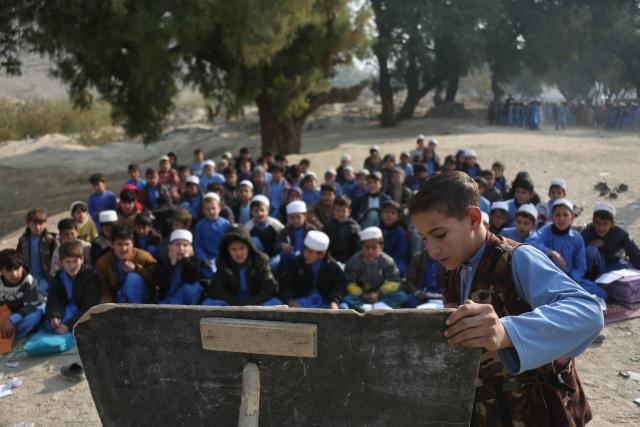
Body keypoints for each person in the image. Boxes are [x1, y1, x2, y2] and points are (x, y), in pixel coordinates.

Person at [408, 172, 602, 426]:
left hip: (538, 411)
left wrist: (507, 331)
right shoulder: (455, 265)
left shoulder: (517, 259)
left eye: (440, 234)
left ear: (473, 218)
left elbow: (588, 313)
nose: (431, 250)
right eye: (425, 238)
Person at [533, 198, 608, 301]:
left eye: (565, 215)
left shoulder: (577, 238)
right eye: (558, 215)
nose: (561, 218)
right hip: (549, 279)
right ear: (552, 217)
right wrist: (550, 252)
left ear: (572, 217)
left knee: (602, 294)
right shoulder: (545, 231)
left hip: (570, 279)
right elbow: (531, 240)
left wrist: (570, 282)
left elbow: (581, 267)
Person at [202, 226, 281, 306]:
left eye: (242, 248)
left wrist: (251, 303)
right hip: (232, 303)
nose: (238, 254)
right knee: (207, 304)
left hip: (256, 301)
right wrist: (236, 302)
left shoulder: (260, 261)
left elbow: (270, 287)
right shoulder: (223, 263)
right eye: (234, 249)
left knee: (277, 304)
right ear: (228, 250)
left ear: (249, 247)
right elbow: (217, 289)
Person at [343, 227, 406, 310]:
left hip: (380, 295)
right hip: (361, 295)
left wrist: (379, 293)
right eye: (367, 247)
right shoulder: (354, 262)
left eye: (374, 248)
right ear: (361, 247)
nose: (370, 252)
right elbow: (350, 283)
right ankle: (365, 307)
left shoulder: (387, 261)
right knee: (347, 299)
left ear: (381, 247)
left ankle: (378, 306)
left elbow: (394, 281)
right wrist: (362, 295)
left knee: (401, 296)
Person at [279, 231, 346, 308]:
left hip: (325, 302)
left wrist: (334, 302)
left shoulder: (333, 267)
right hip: (300, 300)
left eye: (310, 252)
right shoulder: (296, 263)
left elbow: (339, 288)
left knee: (343, 308)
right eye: (305, 250)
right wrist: (289, 301)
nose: (305, 254)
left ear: (321, 254)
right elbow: (285, 285)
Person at [45, 241, 99, 335]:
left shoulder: (90, 277)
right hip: (65, 310)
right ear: (61, 262)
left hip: (81, 313)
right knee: (51, 324)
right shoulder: (58, 277)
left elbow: (89, 306)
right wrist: (54, 315)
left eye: (75, 261)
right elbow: (53, 299)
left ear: (82, 259)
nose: (72, 266)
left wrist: (68, 325)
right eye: (67, 262)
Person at [96, 223, 157, 304]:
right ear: (112, 244)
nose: (124, 249)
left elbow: (156, 279)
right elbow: (105, 290)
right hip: (118, 300)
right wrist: (106, 306)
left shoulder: (144, 256)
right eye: (119, 244)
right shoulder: (103, 263)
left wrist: (136, 269)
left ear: (133, 243)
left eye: (127, 244)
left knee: (133, 278)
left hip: (143, 300)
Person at [582, 202, 640, 276]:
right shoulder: (588, 231)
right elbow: (577, 251)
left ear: (612, 223)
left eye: (605, 223)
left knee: (630, 271)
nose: (601, 228)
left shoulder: (620, 233)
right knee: (591, 250)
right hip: (593, 269)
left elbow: (633, 252)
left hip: (613, 264)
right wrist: (590, 245)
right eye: (597, 223)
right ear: (593, 222)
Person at [0, 249, 43, 341]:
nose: (14, 274)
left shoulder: (29, 281)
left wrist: (12, 320)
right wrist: (6, 317)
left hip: (30, 310)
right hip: (10, 314)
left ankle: (14, 336)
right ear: (1, 271)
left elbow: (30, 307)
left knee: (34, 317)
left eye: (16, 268)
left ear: (22, 267)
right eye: (8, 270)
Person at [16, 208, 57, 296]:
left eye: (41, 224)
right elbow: (17, 258)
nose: (38, 227)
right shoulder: (23, 240)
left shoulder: (51, 240)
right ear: (28, 224)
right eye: (34, 224)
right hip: (28, 276)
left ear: (45, 223)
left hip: (46, 277)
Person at [155, 230, 203, 305]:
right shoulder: (162, 260)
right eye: (177, 244)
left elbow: (192, 280)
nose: (181, 248)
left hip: (187, 298)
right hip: (168, 299)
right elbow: (160, 284)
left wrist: (186, 260)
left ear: (191, 248)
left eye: (185, 245)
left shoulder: (194, 261)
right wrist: (171, 264)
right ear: (170, 247)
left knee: (190, 289)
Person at [193, 193, 231, 279]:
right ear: (203, 210)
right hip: (208, 260)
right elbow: (197, 244)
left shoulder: (226, 224)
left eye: (214, 208)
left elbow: (229, 243)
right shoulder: (200, 225)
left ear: (219, 208)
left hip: (223, 258)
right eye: (208, 209)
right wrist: (204, 259)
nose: (211, 212)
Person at [277, 201, 316, 272]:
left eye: (298, 217)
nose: (295, 221)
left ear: (305, 216)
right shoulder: (285, 230)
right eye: (292, 218)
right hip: (290, 259)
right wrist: (282, 245)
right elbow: (276, 244)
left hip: (307, 258)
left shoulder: (312, 230)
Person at [322, 197, 361, 264]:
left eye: (343, 211)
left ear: (349, 211)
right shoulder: (328, 227)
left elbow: (358, 248)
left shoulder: (354, 227)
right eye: (337, 210)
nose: (340, 214)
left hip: (349, 261)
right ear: (333, 211)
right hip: (331, 261)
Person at [140, 167, 173, 236]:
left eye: (154, 177)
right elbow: (142, 203)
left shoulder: (163, 188)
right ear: (146, 178)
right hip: (150, 212)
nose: (152, 180)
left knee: (168, 221)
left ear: (158, 177)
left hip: (161, 211)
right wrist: (147, 211)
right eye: (150, 178)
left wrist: (161, 209)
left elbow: (169, 202)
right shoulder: (143, 190)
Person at [380, 201, 410, 276]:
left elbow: (401, 254)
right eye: (386, 212)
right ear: (381, 214)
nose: (389, 215)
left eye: (393, 213)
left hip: (396, 260)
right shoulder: (378, 230)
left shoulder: (400, 233)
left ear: (397, 217)